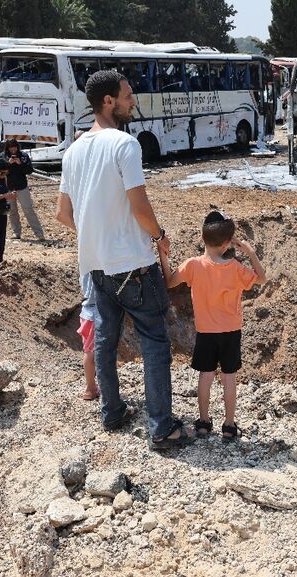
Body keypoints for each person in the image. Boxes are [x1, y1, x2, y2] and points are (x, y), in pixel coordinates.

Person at [55, 69, 192, 451]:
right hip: (132, 263)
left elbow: (62, 214)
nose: (134, 101)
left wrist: (95, 231)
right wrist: (159, 237)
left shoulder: (74, 150)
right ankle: (162, 428)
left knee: (105, 337)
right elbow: (139, 205)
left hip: (94, 263)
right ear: (109, 101)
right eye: (128, 95)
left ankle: (112, 412)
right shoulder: (125, 145)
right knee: (154, 341)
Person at [159, 211, 266, 443]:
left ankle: (204, 423)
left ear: (202, 238)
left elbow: (169, 281)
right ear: (228, 243)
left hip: (205, 332)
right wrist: (250, 251)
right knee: (229, 378)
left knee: (205, 376)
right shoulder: (236, 267)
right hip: (231, 331)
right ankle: (228, 426)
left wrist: (163, 255)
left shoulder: (193, 265)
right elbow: (261, 278)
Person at [0, 139, 44, 241]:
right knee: (12, 211)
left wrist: (20, 163)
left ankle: (39, 234)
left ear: (17, 146)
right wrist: (8, 164)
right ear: (7, 148)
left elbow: (29, 170)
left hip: (22, 187)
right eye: (11, 147)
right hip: (8, 188)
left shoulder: (23, 156)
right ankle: (16, 233)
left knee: (28, 210)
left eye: (14, 146)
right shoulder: (3, 156)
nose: (13, 149)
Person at [78, 272, 100, 400]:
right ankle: (90, 389)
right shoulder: (96, 265)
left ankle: (91, 386)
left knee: (88, 351)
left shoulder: (84, 262)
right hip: (95, 313)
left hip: (86, 312)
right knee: (91, 353)